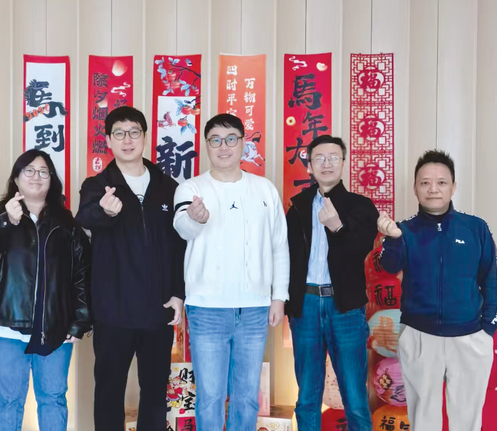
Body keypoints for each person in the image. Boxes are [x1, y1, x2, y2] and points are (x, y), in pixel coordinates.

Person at [173, 113, 289, 430]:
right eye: (215, 140)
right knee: (210, 395)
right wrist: (195, 218)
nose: (223, 146)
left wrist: (279, 297)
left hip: (254, 307)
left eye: (230, 139)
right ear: (206, 145)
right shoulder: (191, 188)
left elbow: (279, 245)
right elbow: (182, 228)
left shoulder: (264, 189)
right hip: (207, 307)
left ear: (243, 143)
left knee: (247, 396)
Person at [76, 106, 185, 430]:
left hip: (158, 309)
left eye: (134, 132)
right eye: (119, 133)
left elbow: (179, 245)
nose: (127, 140)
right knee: (109, 392)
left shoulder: (167, 186)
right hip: (113, 310)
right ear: (109, 140)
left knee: (155, 392)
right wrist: (105, 213)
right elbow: (83, 218)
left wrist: (178, 293)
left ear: (145, 137)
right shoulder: (97, 186)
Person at [378, 149, 497, 430]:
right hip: (419, 336)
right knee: (423, 419)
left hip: (470, 336)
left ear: (453, 187)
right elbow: (388, 266)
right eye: (425, 183)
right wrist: (393, 238)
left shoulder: (475, 228)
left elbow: (492, 278)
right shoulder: (404, 231)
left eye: (441, 182)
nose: (433, 189)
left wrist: (488, 329)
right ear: (415, 188)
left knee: (467, 420)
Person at [0, 149, 91, 431]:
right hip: (6, 325)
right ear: (16, 178)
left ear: (52, 180)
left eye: (43, 172)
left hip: (55, 326)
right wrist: (7, 221)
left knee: (53, 399)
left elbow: (81, 275)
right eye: (29, 170)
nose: (36, 177)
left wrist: (79, 322)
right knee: (8, 400)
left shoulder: (67, 224)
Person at [284, 135, 378, 430]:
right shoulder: (298, 206)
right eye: (319, 158)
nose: (327, 164)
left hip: (345, 306)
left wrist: (337, 227)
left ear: (343, 163)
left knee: (355, 396)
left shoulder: (361, 206)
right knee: (307, 396)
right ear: (309, 166)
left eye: (333, 157)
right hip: (306, 304)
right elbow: (285, 256)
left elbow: (362, 250)